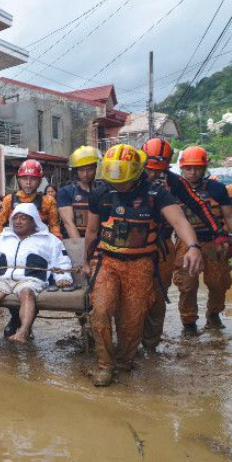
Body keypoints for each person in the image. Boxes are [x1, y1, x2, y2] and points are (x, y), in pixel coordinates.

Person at [83, 144, 203, 387]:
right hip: (107, 261)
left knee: (132, 319)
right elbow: (92, 231)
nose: (118, 185)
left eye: (123, 181)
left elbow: (179, 221)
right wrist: (85, 262)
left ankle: (125, 361)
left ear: (137, 173)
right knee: (102, 310)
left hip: (142, 264)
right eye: (114, 180)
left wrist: (193, 246)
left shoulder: (156, 193)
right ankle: (105, 365)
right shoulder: (100, 192)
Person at [0, 203, 73, 344]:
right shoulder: (4, 238)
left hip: (30, 279)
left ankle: (23, 331)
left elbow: (61, 261)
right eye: (15, 218)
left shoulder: (49, 240)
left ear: (33, 220)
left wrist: (63, 278)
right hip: (4, 277)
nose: (18, 222)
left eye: (23, 218)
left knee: (26, 293)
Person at [167, 146, 232, 334]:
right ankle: (189, 324)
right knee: (187, 285)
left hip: (215, 242)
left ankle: (213, 315)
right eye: (188, 168)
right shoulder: (174, 190)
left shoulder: (216, 188)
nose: (192, 173)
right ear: (181, 168)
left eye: (197, 168)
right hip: (186, 244)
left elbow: (229, 217)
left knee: (219, 282)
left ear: (204, 168)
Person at [0, 159, 61, 337]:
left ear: (40, 180)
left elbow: (55, 227)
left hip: (37, 251)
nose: (28, 183)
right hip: (14, 248)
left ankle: (24, 326)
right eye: (25, 178)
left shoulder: (47, 201)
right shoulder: (8, 200)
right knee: (8, 279)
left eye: (33, 179)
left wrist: (57, 250)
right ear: (19, 179)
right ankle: (16, 320)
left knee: (28, 286)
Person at [139, 138, 177, 352]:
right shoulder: (128, 178)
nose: (152, 175)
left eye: (158, 171)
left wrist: (218, 234)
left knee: (157, 296)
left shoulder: (174, 183)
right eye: (149, 170)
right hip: (130, 247)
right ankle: (128, 342)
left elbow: (194, 207)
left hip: (161, 246)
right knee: (129, 295)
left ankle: (151, 345)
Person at [57, 146, 104, 240]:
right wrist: (81, 248)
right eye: (81, 170)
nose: (85, 174)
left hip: (100, 243)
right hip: (75, 242)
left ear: (96, 168)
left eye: (90, 169)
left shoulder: (103, 190)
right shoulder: (65, 191)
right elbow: (68, 223)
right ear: (75, 171)